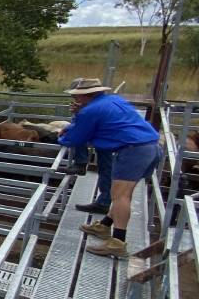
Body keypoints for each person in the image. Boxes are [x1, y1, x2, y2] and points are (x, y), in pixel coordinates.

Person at [61, 77, 161, 257]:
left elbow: (77, 138)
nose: (76, 99)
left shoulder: (90, 110)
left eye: (77, 96)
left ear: (85, 95)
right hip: (150, 146)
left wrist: (60, 137)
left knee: (120, 195)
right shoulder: (114, 100)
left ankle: (117, 242)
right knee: (123, 193)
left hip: (134, 150)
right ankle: (105, 225)